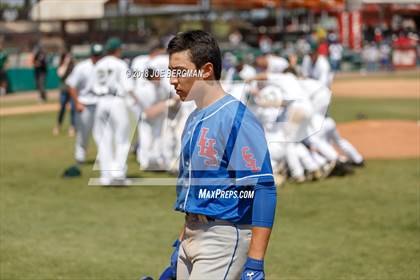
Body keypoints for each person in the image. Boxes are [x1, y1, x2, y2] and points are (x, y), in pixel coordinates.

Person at [159, 30, 277, 280]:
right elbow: (198, 191)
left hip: (222, 238)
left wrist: (255, 262)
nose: (172, 80)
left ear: (206, 70)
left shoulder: (235, 118)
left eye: (179, 71)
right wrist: (181, 243)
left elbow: (263, 188)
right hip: (192, 233)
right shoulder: (193, 119)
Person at [91, 38, 134, 185]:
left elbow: (92, 86)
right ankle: (118, 174)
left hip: (100, 102)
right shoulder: (120, 64)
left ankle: (106, 176)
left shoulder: (98, 64)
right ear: (118, 50)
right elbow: (128, 87)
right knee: (122, 138)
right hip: (116, 101)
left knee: (104, 140)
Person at [66, 43, 104, 163]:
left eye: (99, 55)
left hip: (100, 104)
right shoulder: (82, 67)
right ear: (91, 55)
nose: (97, 58)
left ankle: (103, 156)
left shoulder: (105, 66)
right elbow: (71, 86)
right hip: (85, 104)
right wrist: (77, 103)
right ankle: (80, 156)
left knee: (102, 132)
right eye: (95, 55)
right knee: (83, 133)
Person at [53, 52, 76, 136]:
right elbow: (61, 74)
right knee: (62, 108)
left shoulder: (73, 67)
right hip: (64, 90)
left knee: (73, 108)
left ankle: (72, 127)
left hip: (72, 90)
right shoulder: (62, 66)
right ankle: (58, 126)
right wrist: (65, 63)